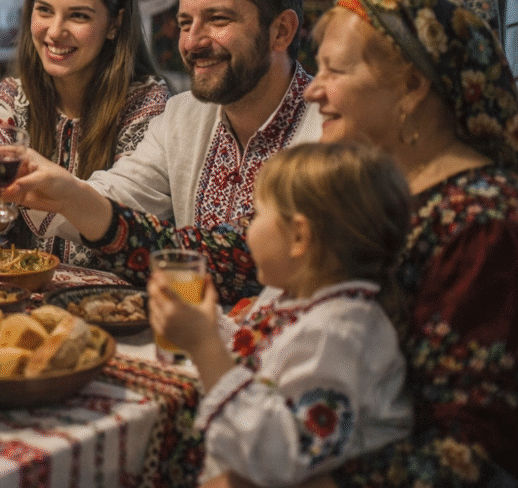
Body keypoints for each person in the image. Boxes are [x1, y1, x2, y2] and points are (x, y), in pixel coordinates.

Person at [201, 0, 518, 488]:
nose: (312, 91)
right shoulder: (372, 189)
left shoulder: (483, 224)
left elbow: (474, 457)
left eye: (334, 70)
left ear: (412, 86)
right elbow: (241, 251)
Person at [0, 0, 323, 304]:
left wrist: (72, 197)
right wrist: (46, 187)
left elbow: (242, 259)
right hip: (190, 336)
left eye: (218, 19)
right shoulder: (184, 114)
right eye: (185, 23)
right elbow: (119, 194)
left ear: (281, 31)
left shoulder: (331, 129)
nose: (192, 42)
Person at [150, 141, 412, 485]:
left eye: (256, 215)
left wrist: (204, 346)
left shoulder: (338, 334)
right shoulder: (308, 304)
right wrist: (210, 325)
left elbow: (278, 461)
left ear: (299, 236)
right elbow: (262, 355)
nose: (246, 229)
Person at [0, 0, 169, 266]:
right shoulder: (11, 96)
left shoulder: (147, 104)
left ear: (114, 25)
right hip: (19, 292)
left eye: (78, 16)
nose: (55, 31)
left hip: (111, 302)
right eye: (44, 10)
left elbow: (130, 226)